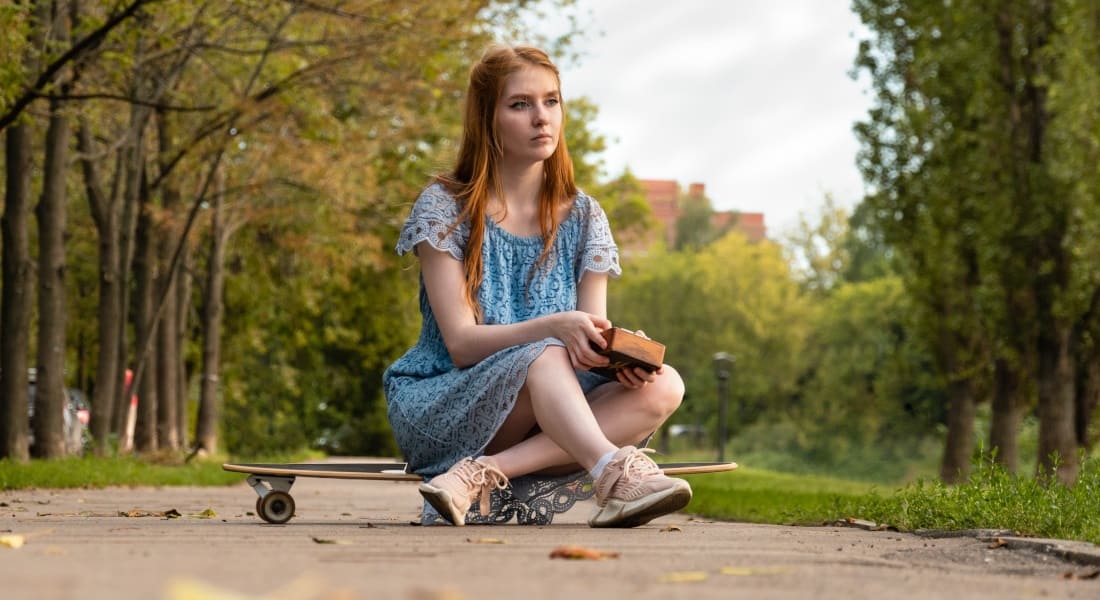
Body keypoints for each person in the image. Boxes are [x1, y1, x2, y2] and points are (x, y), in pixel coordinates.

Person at [383, 45, 690, 529]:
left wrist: (614, 359)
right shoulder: (445, 207)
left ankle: (484, 473)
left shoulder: (585, 216)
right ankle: (613, 474)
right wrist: (556, 328)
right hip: (444, 402)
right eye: (520, 104)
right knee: (544, 353)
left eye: (551, 101)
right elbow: (461, 346)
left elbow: (587, 334)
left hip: (547, 406)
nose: (541, 118)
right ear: (488, 118)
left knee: (666, 383)